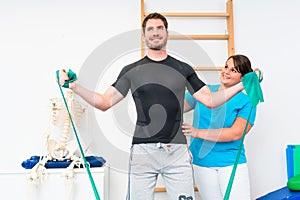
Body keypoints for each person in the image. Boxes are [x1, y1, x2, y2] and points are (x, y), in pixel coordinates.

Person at [58, 13, 246, 200]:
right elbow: (104, 102)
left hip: (177, 151)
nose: (155, 32)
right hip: (143, 152)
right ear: (143, 36)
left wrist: (243, 85)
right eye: (150, 29)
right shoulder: (131, 70)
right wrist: (74, 86)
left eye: (159, 28)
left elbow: (211, 100)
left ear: (167, 33)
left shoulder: (183, 68)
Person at [182, 54, 257, 200]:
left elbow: (235, 133)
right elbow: (175, 107)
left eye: (234, 70)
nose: (226, 71)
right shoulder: (204, 92)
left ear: (243, 77)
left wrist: (198, 132)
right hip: (201, 163)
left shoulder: (247, 101)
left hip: (230, 162)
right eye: (226, 66)